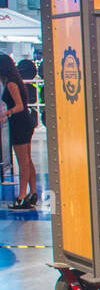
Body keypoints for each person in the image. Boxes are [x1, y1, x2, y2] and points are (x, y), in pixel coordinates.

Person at [2, 53, 39, 210]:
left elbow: (19, 106)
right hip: (25, 121)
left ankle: (22, 196)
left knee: (22, 161)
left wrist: (6, 113)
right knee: (27, 159)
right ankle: (33, 192)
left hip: (19, 122)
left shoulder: (11, 83)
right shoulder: (16, 80)